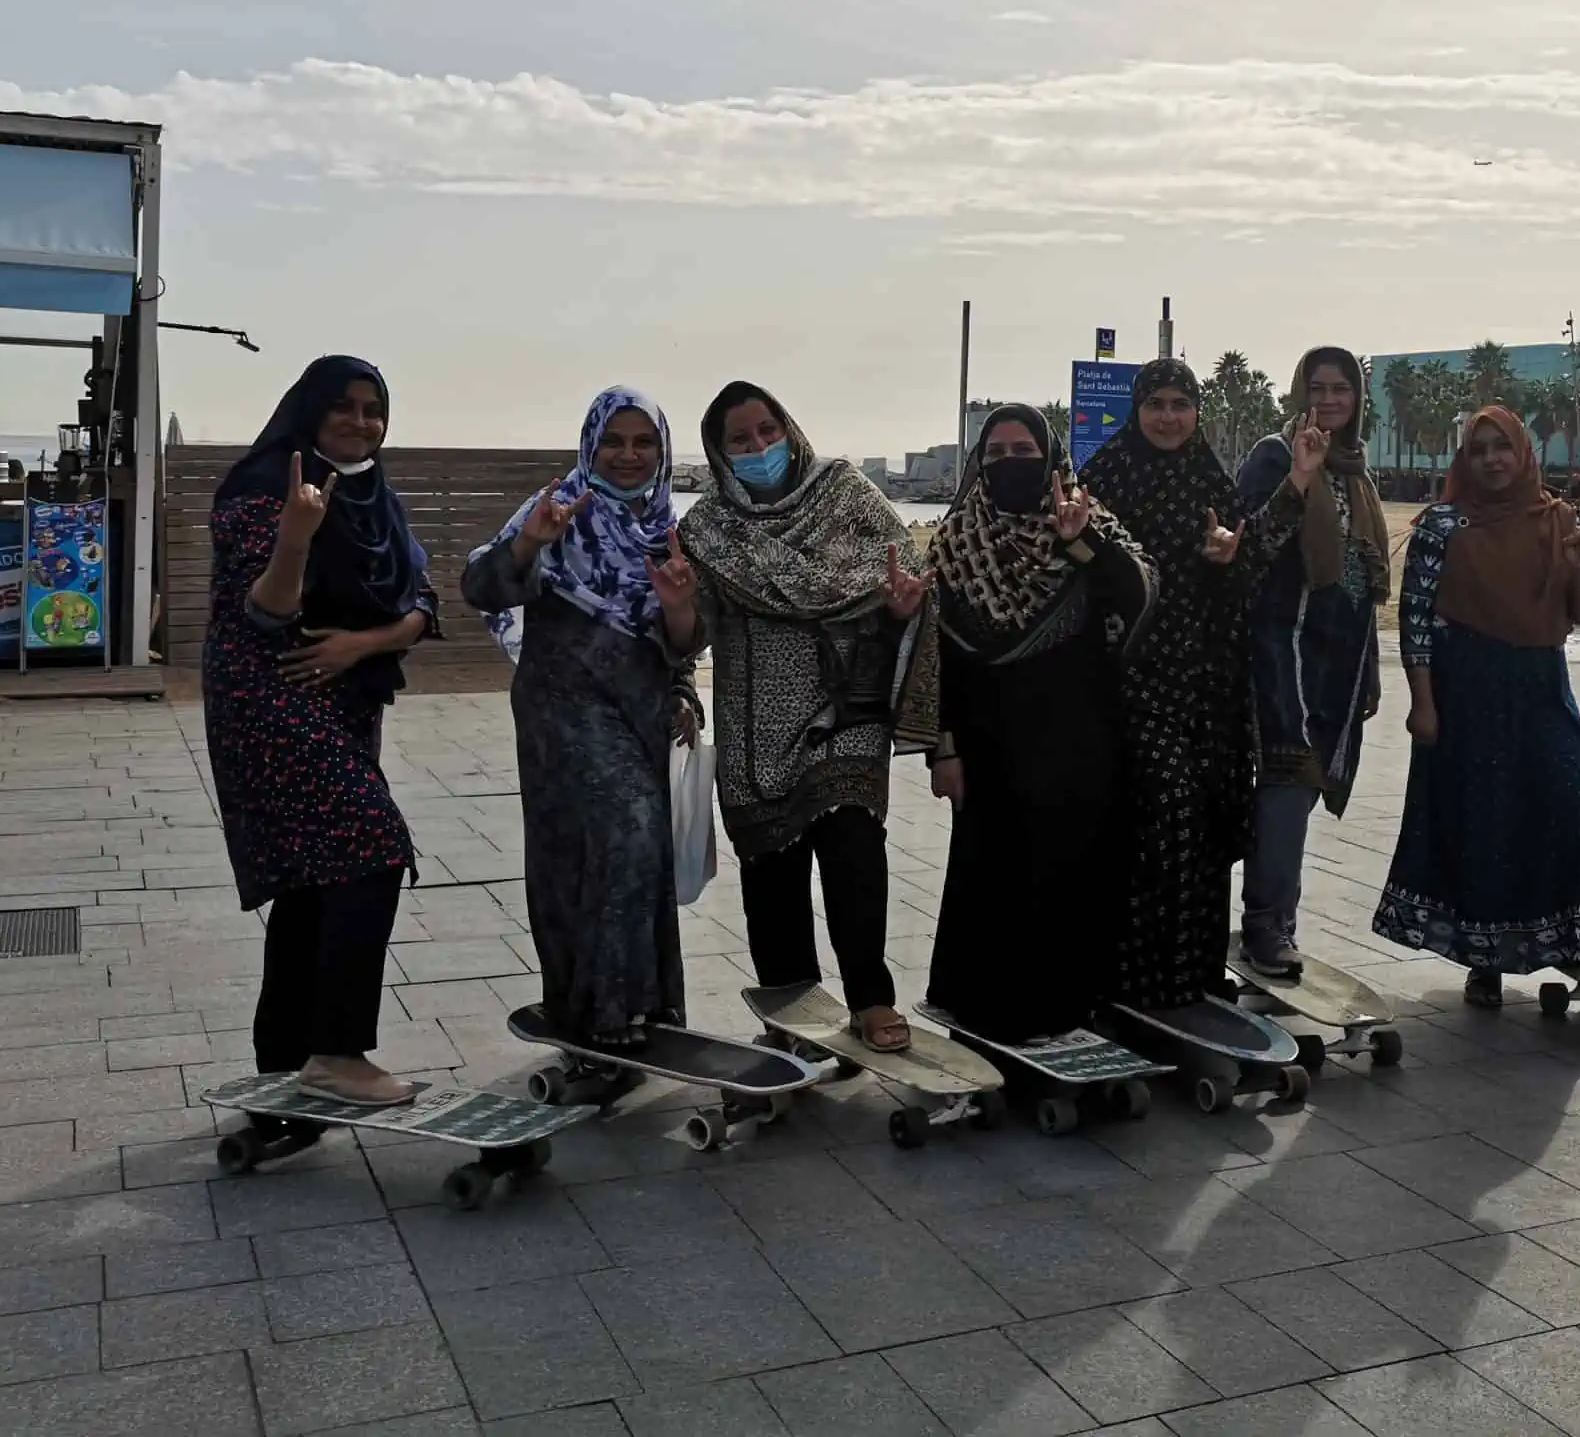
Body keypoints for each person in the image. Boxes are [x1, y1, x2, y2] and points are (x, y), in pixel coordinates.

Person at [676, 381, 937, 1053]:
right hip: (755, 727)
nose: (759, 447)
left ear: (789, 429)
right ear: (720, 453)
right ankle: (792, 1012)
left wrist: (903, 608)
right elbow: (690, 634)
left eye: (767, 431)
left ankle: (871, 1001)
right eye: (741, 440)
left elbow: (899, 573)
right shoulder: (707, 530)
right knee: (772, 869)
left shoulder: (843, 493)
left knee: (854, 848)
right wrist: (676, 605)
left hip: (844, 709)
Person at [204, 357, 438, 1105]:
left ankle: (283, 1065)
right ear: (308, 410)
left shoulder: (375, 496)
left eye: (374, 408)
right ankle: (336, 1053)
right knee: (372, 849)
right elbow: (265, 611)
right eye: (343, 407)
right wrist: (297, 536)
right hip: (271, 700)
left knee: (315, 877)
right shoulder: (261, 488)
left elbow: (422, 601)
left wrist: (361, 645)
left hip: (344, 697)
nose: (360, 421)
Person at [463, 387, 701, 1051]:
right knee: (619, 832)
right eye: (613, 441)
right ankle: (601, 1013)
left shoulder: (668, 529)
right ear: (590, 443)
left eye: (643, 442)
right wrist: (529, 546)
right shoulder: (558, 509)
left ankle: (637, 1004)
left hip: (640, 711)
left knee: (633, 854)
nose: (628, 456)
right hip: (561, 708)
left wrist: (681, 651)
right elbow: (482, 588)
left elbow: (682, 641)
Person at [924, 405, 1155, 1041]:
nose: (1009, 464)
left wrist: (1080, 540)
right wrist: (943, 751)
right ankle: (986, 1019)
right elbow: (935, 660)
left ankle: (1069, 1013)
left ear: (1049, 456)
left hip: (1078, 743)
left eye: (1023, 451)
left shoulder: (1085, 519)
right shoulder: (953, 543)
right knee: (993, 883)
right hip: (988, 746)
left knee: (1071, 877)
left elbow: (1138, 596)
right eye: (995, 454)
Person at [1374, 406, 1580, 1005]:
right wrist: (1422, 704)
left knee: (1571, 793)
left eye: (1501, 447)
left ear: (1523, 452)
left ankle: (1574, 936)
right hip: (1467, 692)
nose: (1491, 460)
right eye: (1479, 450)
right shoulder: (1444, 527)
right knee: (1482, 822)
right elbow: (1417, 620)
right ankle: (1482, 959)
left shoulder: (1558, 520)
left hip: (1540, 686)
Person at [1080, 359, 1257, 1011]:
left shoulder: (1212, 481)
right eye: (1156, 401)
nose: (1168, 415)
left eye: (1181, 402)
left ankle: (1196, 976)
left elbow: (1247, 581)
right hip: (1131, 683)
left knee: (1206, 824)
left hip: (1207, 688)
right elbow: (1079, 578)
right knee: (1168, 810)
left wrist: (1228, 559)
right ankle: (1136, 977)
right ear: (1136, 407)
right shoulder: (1103, 478)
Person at [1233, 346, 1389, 978]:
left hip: (1339, 657)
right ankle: (1267, 926)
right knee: (1287, 779)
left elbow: (1363, 579)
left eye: (1341, 388)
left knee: (1304, 785)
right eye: (1318, 387)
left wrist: (1371, 667)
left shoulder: (1356, 471)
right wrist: (1299, 478)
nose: (1328, 400)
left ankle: (1276, 923)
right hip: (1282, 649)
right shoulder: (1276, 454)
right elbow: (1250, 545)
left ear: (1357, 399)